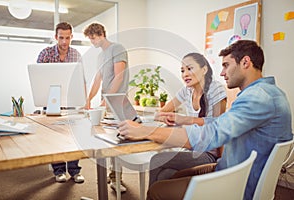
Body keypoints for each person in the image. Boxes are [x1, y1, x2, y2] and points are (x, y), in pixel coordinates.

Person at [118, 40, 293, 200]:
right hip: (228, 168)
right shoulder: (266, 93)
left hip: (237, 181)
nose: (222, 72)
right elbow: (221, 123)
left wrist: (146, 131)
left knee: (157, 190)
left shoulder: (258, 97)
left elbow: (212, 134)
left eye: (226, 65)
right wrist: (183, 119)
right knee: (167, 175)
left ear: (245, 62)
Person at [149, 52, 226, 185]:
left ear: (204, 69)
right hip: (190, 148)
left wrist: (183, 119)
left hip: (208, 154)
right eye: (182, 70)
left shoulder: (216, 88)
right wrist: (167, 117)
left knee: (157, 160)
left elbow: (218, 126)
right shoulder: (187, 91)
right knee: (164, 175)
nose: (185, 74)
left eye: (189, 68)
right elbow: (160, 113)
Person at [83, 23, 129, 192]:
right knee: (106, 140)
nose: (92, 42)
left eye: (93, 38)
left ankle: (116, 179)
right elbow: (97, 80)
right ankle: (110, 178)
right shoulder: (100, 56)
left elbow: (119, 76)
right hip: (107, 104)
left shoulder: (117, 49)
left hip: (118, 102)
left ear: (101, 34)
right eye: (90, 39)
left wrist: (107, 99)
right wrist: (88, 99)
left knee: (117, 141)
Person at [37, 22, 84, 184]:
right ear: (56, 37)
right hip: (51, 100)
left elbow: (80, 79)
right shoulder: (46, 54)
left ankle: (74, 171)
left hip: (71, 100)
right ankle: (59, 171)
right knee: (54, 137)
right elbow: (39, 79)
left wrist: (85, 100)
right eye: (61, 38)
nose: (64, 42)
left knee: (72, 136)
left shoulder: (76, 54)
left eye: (67, 38)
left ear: (72, 37)